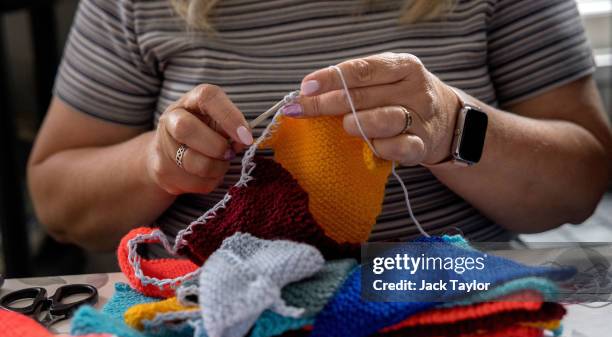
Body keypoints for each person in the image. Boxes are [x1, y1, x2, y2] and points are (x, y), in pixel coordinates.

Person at [28, 0, 612, 252]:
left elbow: (583, 181)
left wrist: (455, 127)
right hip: (208, 314)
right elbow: (57, 201)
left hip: (442, 292)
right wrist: (156, 166)